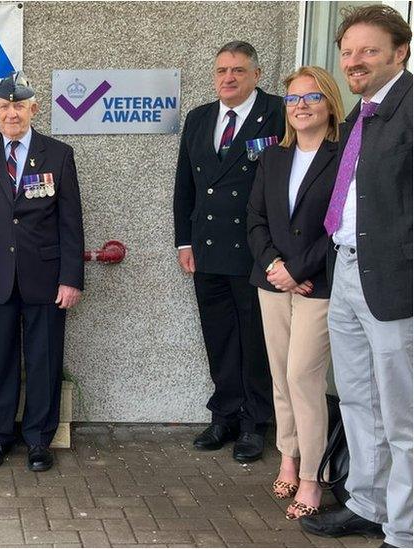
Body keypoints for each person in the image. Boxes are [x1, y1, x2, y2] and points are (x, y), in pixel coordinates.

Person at [301, 6, 412, 547]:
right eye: (347, 52)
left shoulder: (411, 110)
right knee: (358, 399)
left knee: (402, 414)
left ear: (400, 52)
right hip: (345, 271)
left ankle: (405, 528)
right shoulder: (365, 113)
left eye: (368, 50)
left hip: (393, 283)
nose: (355, 61)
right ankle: (367, 503)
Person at [173, 41, 285, 462]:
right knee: (219, 336)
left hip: (257, 250)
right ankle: (225, 415)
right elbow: (185, 185)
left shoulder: (277, 112)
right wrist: (184, 241)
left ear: (256, 75)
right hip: (207, 249)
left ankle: (256, 422)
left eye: (238, 70)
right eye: (221, 70)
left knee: (255, 339)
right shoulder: (200, 118)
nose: (228, 78)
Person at [0, 71, 84, 472]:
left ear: (33, 108)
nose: (11, 113)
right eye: (4, 106)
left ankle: (38, 439)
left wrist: (71, 278)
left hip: (46, 278)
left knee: (43, 360)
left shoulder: (58, 154)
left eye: (18, 105)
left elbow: (71, 222)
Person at [246, 66, 345, 520]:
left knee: (304, 377)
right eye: (292, 99)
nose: (301, 106)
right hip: (272, 281)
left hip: (317, 285)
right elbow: (255, 220)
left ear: (329, 104)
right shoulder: (273, 158)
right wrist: (274, 266)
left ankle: (313, 476)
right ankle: (288, 456)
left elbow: (338, 224)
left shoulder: (345, 156)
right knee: (281, 376)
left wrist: (298, 271)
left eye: (311, 98)